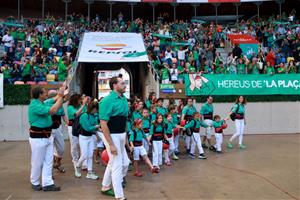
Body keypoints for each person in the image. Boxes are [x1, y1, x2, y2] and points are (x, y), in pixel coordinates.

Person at [28, 85, 66, 192]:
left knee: (48, 161)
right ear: (39, 95)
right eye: (45, 92)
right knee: (37, 162)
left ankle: (47, 183)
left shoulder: (41, 102)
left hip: (47, 136)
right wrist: (61, 96)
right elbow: (53, 110)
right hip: (38, 137)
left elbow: (54, 99)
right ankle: (34, 182)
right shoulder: (35, 105)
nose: (47, 94)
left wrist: (60, 94)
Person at [99, 76, 129, 200]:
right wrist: (110, 144)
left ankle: (105, 186)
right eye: (122, 83)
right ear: (115, 85)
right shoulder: (107, 100)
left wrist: (126, 138)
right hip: (112, 135)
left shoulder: (124, 99)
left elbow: (124, 119)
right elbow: (103, 123)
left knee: (124, 162)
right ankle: (119, 196)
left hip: (122, 134)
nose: (125, 85)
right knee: (117, 164)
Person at [44, 90, 68, 173]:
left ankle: (57, 163)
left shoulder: (60, 105)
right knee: (49, 151)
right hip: (48, 130)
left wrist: (68, 123)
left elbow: (63, 116)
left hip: (58, 129)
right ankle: (49, 172)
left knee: (61, 149)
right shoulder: (46, 103)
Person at [75, 101, 100, 180]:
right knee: (84, 155)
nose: (96, 111)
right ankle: (78, 166)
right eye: (96, 109)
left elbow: (95, 128)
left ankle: (90, 172)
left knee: (90, 155)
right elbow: (87, 128)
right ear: (92, 108)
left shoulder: (94, 116)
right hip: (83, 137)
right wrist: (96, 126)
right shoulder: (84, 116)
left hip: (90, 137)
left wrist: (99, 131)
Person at [67, 94, 88, 171]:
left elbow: (86, 113)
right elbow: (76, 114)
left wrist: (86, 104)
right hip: (72, 127)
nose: (81, 100)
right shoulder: (70, 107)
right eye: (80, 99)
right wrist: (83, 105)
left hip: (81, 126)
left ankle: (83, 162)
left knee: (82, 144)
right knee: (74, 145)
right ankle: (75, 161)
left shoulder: (81, 105)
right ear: (76, 100)